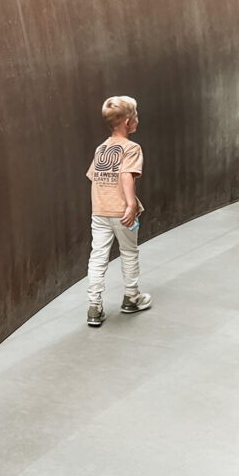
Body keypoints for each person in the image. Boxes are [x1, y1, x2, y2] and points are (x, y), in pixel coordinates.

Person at [85, 95, 151, 327]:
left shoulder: (101, 148)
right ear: (127, 122)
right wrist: (131, 205)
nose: (138, 121)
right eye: (136, 117)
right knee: (129, 252)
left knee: (98, 257)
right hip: (122, 212)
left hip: (99, 211)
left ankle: (94, 307)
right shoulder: (132, 148)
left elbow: (95, 177)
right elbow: (126, 176)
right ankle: (131, 298)